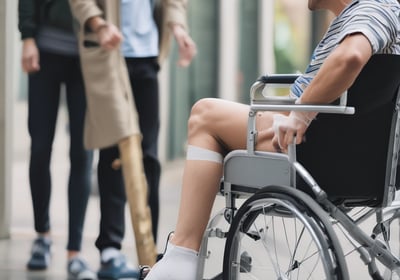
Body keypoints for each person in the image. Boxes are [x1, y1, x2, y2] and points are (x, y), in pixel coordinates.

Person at [144, 0, 400, 279]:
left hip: (309, 152)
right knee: (230, 118)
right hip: (344, 153)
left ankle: (181, 256)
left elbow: (350, 57)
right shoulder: (365, 15)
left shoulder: (373, 9)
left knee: (204, 115)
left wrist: (300, 116)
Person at [68, 0, 196, 278]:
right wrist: (99, 25)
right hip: (110, 55)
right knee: (114, 152)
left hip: (148, 56)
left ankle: (148, 253)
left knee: (149, 156)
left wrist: (178, 30)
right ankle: (110, 249)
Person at [17, 0, 95, 279]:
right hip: (45, 52)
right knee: (39, 148)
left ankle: (75, 252)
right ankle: (42, 236)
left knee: (82, 154)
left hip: (88, 57)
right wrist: (27, 37)